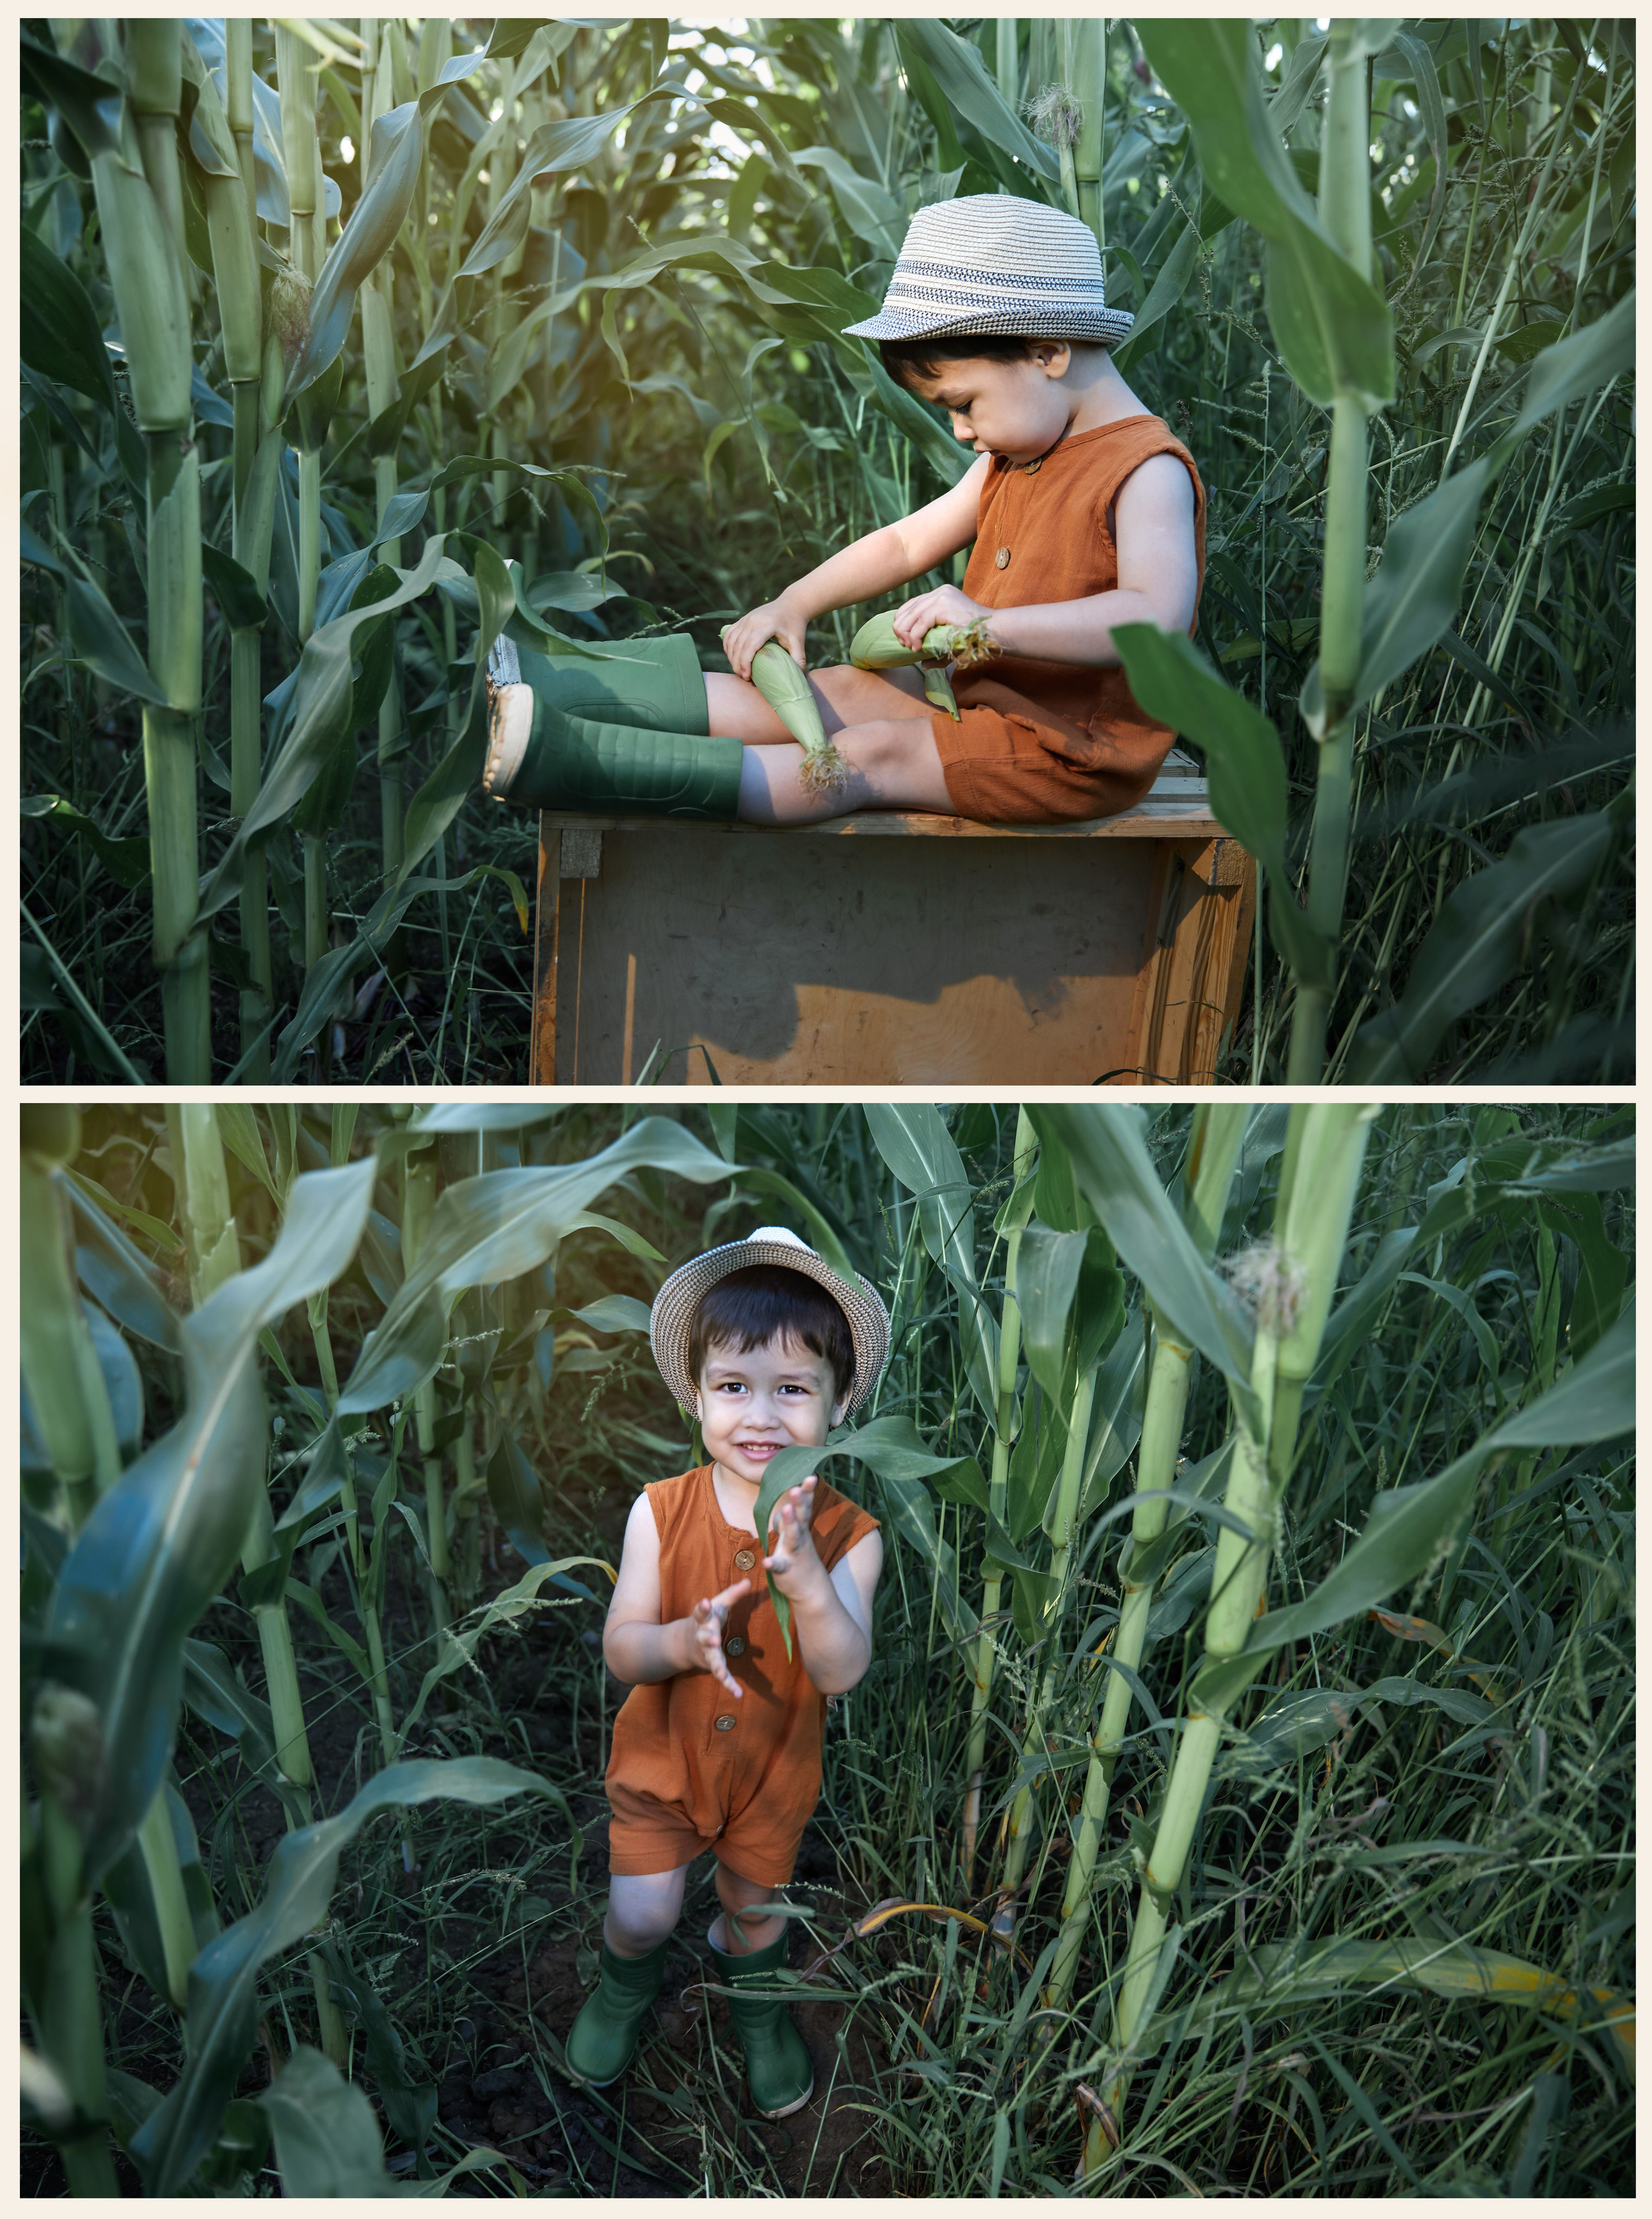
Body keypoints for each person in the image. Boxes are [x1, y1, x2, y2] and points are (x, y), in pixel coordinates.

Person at [483, 194, 1205, 829]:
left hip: (1068, 748)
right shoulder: (1013, 455)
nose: (960, 431)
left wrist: (989, 626)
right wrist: (793, 604)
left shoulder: (1144, 471)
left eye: (963, 404)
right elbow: (902, 544)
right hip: (980, 699)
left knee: (866, 756)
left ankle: (583, 762)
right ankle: (565, 679)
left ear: (1047, 352)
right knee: (825, 690)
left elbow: (1154, 618)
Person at [563, 1228, 887, 2120]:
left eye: (793, 1389)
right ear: (697, 1395)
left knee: (757, 1908)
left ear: (836, 1401)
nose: (761, 1416)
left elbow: (842, 1668)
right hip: (666, 1760)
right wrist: (680, 1644)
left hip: (774, 1770)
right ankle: (623, 1990)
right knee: (642, 1913)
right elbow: (622, 1644)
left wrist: (808, 1581)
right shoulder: (659, 1513)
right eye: (734, 1387)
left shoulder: (851, 1536)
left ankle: (757, 2010)